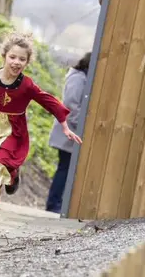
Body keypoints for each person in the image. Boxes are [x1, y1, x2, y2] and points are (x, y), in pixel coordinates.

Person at [0, 31, 83, 232]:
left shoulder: (26, 85)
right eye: (13, 57)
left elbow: (47, 100)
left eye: (22, 59)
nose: (16, 62)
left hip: (13, 132)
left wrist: (64, 123)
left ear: (27, 62)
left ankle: (12, 171)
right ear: (4, 56)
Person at [45, 52, 91, 213]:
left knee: (66, 168)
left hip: (71, 132)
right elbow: (71, 106)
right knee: (65, 168)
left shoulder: (80, 77)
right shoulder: (78, 78)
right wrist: (84, 126)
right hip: (69, 132)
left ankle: (58, 203)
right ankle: (54, 204)